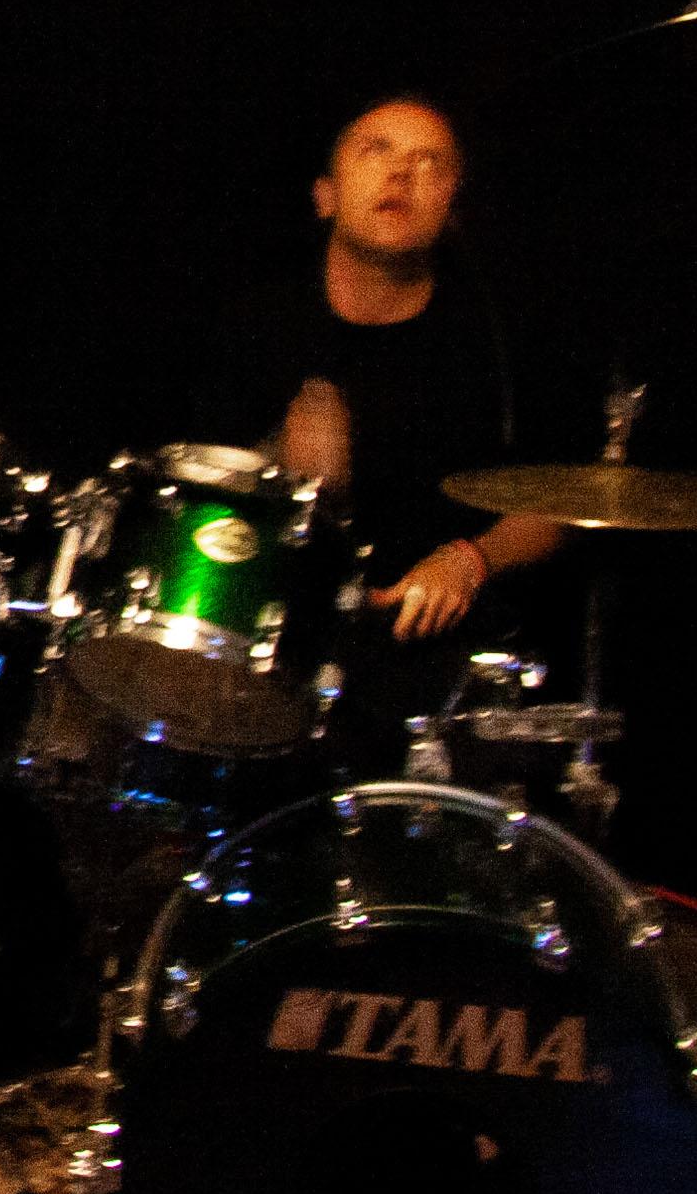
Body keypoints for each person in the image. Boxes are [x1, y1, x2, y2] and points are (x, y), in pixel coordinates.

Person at [240, 94, 569, 765]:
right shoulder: (258, 319)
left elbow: (563, 502)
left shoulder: (500, 341)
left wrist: (468, 560)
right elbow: (188, 488)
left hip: (430, 666)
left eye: (430, 162)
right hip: (271, 646)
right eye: (377, 151)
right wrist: (275, 465)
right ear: (326, 196)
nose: (401, 173)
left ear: (451, 206)